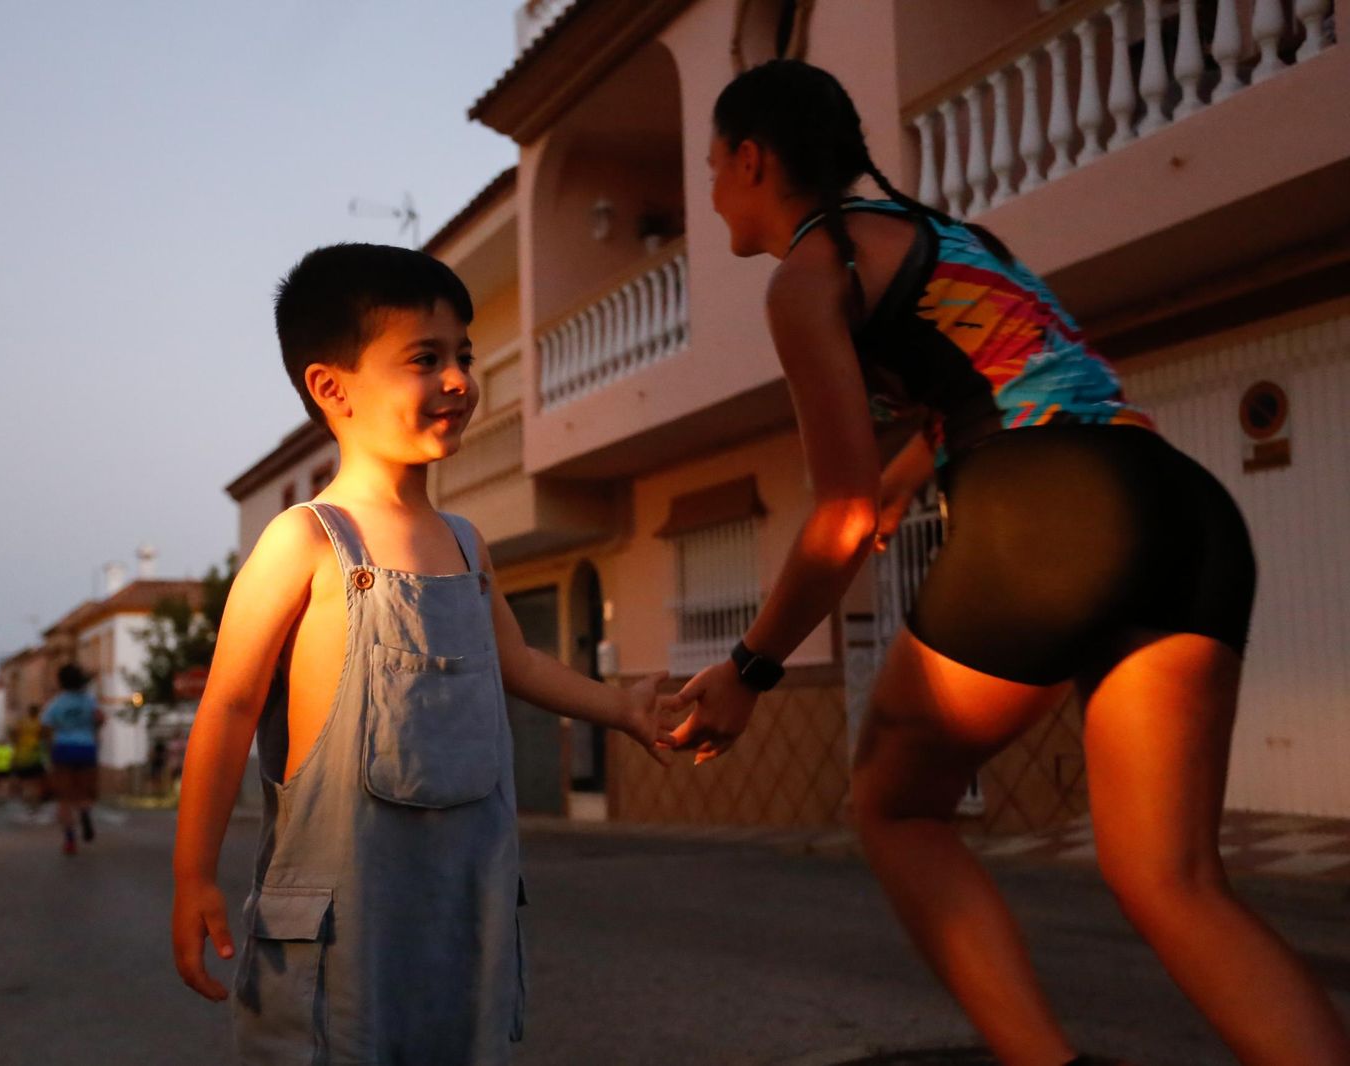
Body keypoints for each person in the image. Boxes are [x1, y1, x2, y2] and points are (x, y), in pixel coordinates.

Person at [665, 60, 1350, 1066]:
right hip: (1179, 504)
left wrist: (750, 670)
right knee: (1173, 878)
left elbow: (841, 514)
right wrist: (911, 475)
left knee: (895, 806)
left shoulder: (809, 276)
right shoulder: (952, 239)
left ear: (752, 159)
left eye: (712, 162)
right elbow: (1005, 385)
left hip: (1050, 515)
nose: (711, 185)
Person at [170, 243, 671, 1064]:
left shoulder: (469, 545)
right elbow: (225, 709)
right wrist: (193, 875)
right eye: (424, 359)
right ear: (333, 389)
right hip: (337, 942)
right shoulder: (303, 543)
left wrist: (623, 708)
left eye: (464, 356)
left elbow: (521, 662)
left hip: (461, 925)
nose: (458, 380)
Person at [41, 664, 102, 855]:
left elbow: (45, 726)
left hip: (63, 748)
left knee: (64, 798)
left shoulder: (56, 703)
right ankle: (84, 811)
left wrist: (48, 750)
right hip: (86, 747)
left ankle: (69, 839)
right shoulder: (89, 700)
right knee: (84, 792)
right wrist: (92, 730)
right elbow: (100, 718)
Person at [12, 705, 46, 812]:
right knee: (36, 782)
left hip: (23, 755)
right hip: (35, 754)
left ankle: (28, 802)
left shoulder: (22, 722)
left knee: (25, 782)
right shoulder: (39, 723)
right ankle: (35, 804)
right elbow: (44, 736)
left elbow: (14, 735)